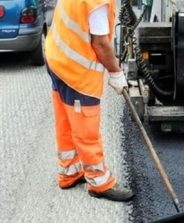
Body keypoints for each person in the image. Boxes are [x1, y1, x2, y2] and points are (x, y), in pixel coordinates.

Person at [45, 0, 134, 202]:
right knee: (86, 130)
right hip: (76, 72)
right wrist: (115, 72)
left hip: (57, 59)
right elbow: (100, 43)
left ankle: (69, 172)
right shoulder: (97, 2)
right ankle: (99, 182)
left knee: (65, 122)